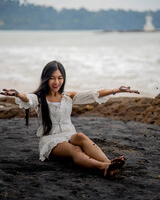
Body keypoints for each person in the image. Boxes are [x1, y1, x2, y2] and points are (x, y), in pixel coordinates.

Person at [1, 60, 140, 177]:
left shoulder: (68, 96)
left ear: (64, 78)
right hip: (51, 141)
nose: (56, 82)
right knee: (76, 151)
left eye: (60, 78)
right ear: (46, 78)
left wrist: (117, 90)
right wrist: (17, 94)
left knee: (80, 136)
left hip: (69, 135)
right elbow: (27, 98)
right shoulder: (39, 98)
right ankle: (102, 167)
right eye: (52, 78)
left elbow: (93, 94)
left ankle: (109, 163)